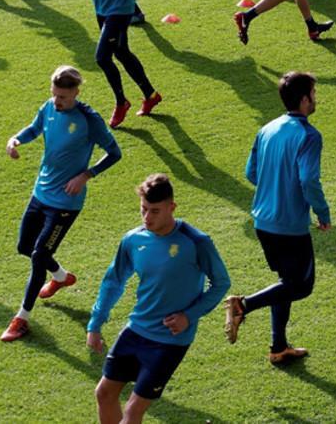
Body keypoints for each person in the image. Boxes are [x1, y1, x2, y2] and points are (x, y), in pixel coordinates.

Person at [88, 174, 230, 423]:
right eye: (143, 209)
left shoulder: (196, 242)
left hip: (170, 340)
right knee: (104, 393)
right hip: (136, 329)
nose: (147, 218)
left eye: (155, 211)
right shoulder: (133, 240)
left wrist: (189, 316)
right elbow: (113, 281)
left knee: (133, 410)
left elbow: (221, 283)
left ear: (172, 207)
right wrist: (95, 324)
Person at [2, 65, 122, 342]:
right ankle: (61, 276)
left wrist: (86, 175)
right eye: (55, 95)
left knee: (38, 255)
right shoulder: (48, 107)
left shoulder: (89, 119)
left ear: (76, 93)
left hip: (66, 202)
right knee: (25, 247)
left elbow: (114, 152)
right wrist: (16, 139)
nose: (57, 102)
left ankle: (22, 319)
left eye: (63, 98)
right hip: (40, 193)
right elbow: (35, 128)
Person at [223, 71, 330, 366]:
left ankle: (278, 347)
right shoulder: (309, 135)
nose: (315, 99)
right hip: (290, 224)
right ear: (305, 98)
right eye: (313, 93)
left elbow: (251, 173)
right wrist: (322, 212)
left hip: (262, 222)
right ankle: (242, 305)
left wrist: (275, 184)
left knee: (285, 282)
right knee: (301, 286)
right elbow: (309, 180)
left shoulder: (267, 129)